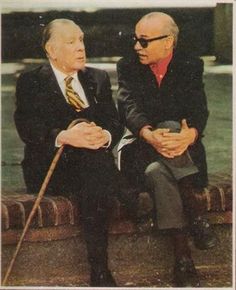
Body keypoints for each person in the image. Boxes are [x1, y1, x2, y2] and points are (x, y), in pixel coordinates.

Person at [14, 18, 139, 287]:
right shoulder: (31, 81)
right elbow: (28, 127)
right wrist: (66, 136)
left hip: (92, 165)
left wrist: (103, 136)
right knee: (95, 165)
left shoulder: (97, 78)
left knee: (94, 162)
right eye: (71, 42)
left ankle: (100, 271)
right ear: (51, 50)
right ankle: (125, 191)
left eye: (81, 40)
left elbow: (114, 124)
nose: (81, 47)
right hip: (52, 167)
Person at [117, 12, 217, 287]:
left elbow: (199, 109)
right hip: (143, 148)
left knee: (158, 172)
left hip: (179, 152)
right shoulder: (127, 66)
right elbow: (128, 107)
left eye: (144, 41)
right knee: (165, 133)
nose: (137, 46)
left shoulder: (190, 65)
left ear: (168, 42)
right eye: (135, 39)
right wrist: (149, 134)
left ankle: (183, 257)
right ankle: (196, 215)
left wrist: (190, 134)